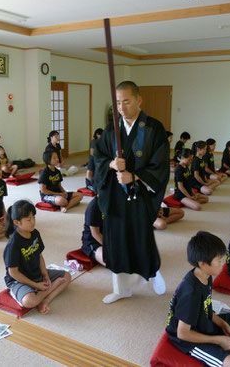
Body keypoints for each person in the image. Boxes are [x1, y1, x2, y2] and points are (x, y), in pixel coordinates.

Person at [93, 81, 170, 304]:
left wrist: (134, 176)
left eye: (126, 101)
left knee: (140, 236)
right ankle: (121, 288)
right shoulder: (110, 131)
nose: (122, 107)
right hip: (115, 196)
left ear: (139, 100)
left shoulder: (153, 129)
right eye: (118, 102)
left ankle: (151, 272)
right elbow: (97, 159)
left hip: (140, 194)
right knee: (115, 241)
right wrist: (110, 165)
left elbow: (160, 164)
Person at [166, 231, 230, 367]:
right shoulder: (191, 293)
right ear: (203, 263)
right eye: (219, 260)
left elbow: (207, 308)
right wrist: (218, 340)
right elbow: (182, 334)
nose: (223, 263)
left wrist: (223, 324)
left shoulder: (205, 275)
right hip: (190, 337)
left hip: (204, 321)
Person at [3, 200, 71, 314]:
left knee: (67, 276)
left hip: (36, 273)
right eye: (29, 220)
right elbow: (13, 273)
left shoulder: (35, 233)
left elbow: (39, 255)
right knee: (29, 301)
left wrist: (45, 276)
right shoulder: (13, 244)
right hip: (19, 280)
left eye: (34, 217)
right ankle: (50, 288)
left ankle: (45, 301)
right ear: (17, 222)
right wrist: (36, 285)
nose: (33, 222)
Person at [80, 196, 105, 266]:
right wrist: (111, 247)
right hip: (93, 242)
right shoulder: (94, 206)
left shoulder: (112, 202)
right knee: (116, 262)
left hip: (109, 238)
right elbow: (95, 234)